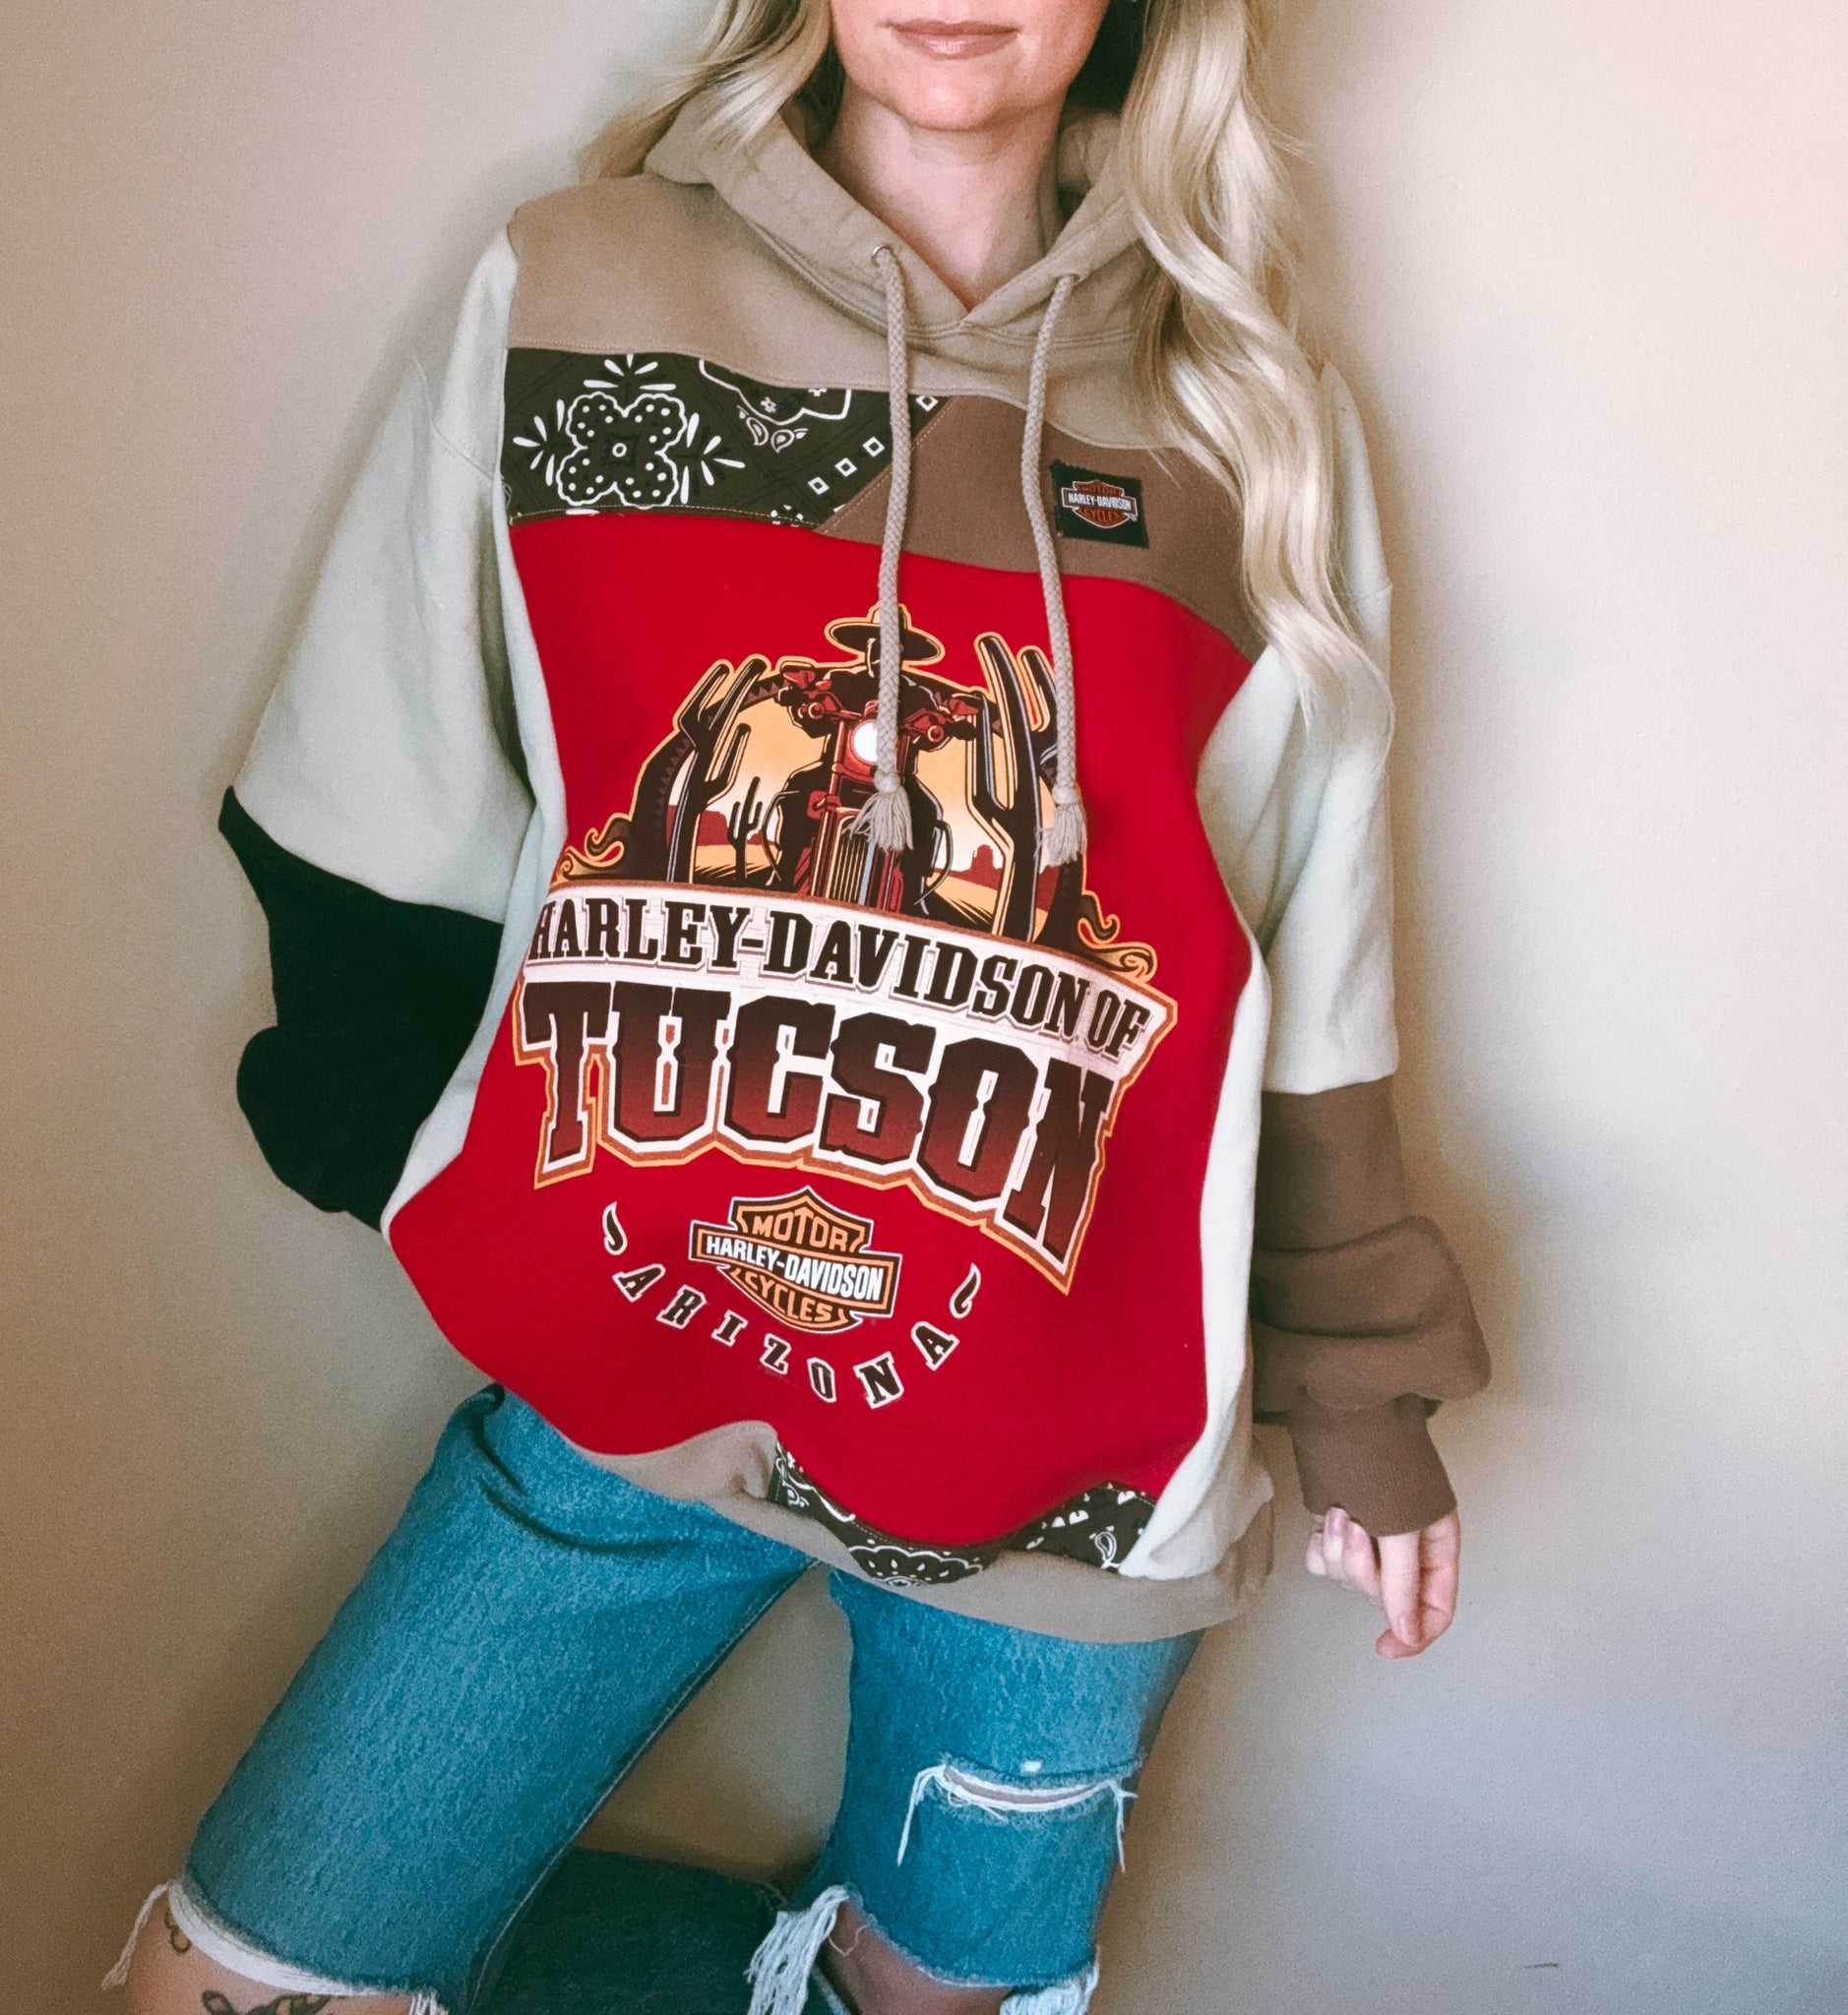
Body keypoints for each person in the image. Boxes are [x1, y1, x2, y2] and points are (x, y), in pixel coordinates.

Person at [111, 2, 1490, 2011]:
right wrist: (414, 1154)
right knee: (221, 1981)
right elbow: (378, 749)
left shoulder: (1244, 403)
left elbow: (1308, 925)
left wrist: (1360, 1389)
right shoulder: (579, 286)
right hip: (626, 1383)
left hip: (1069, 1478)